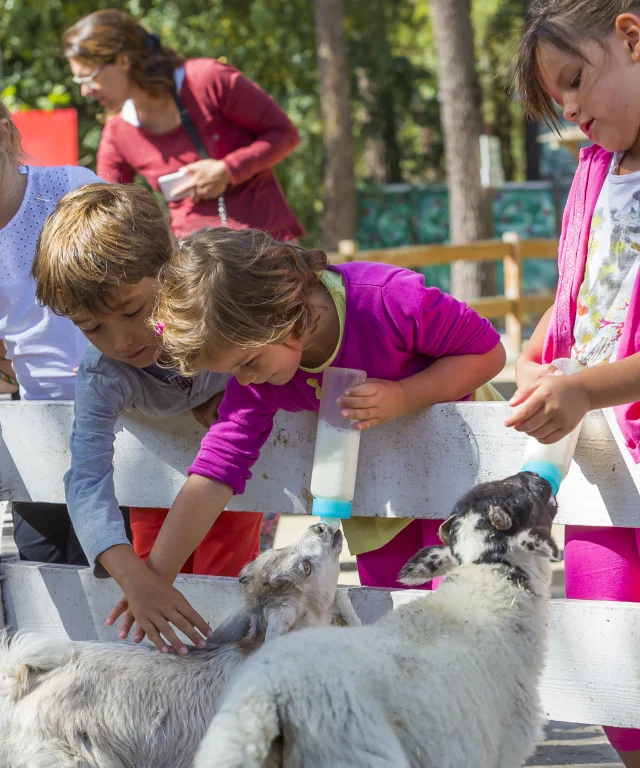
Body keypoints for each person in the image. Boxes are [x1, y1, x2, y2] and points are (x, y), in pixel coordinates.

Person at [103, 226, 505, 652]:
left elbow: (487, 352)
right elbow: (215, 471)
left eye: (248, 362)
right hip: (380, 509)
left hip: (464, 483)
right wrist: (155, 578)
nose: (245, 380)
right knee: (398, 637)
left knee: (466, 629)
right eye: (233, 371)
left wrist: (405, 395)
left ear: (283, 315)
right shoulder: (257, 376)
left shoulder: (387, 300)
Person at [32, 182, 263, 650]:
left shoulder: (221, 309)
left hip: (230, 493)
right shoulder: (104, 376)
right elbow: (86, 479)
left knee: (224, 607)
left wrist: (236, 387)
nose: (121, 342)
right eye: (91, 327)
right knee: (154, 623)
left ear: (171, 268)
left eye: (133, 310)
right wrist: (132, 576)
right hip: (152, 497)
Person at [513, 0, 640, 768]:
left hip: (614, 413)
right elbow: (582, 296)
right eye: (559, 105)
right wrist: (538, 355)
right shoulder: (594, 172)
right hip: (604, 454)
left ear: (631, 35)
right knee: (607, 666)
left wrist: (587, 386)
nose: (573, 113)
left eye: (575, 81)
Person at [62, 8, 303, 241]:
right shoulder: (116, 133)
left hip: (269, 249)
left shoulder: (208, 80)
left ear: (123, 60)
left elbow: (285, 134)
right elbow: (109, 211)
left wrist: (228, 170)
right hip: (198, 266)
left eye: (88, 77)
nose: (84, 91)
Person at [0, 98, 102, 565]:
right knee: (40, 562)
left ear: (4, 135)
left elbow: (145, 281)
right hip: (34, 419)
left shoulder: (69, 189)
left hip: (115, 409)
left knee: (104, 560)